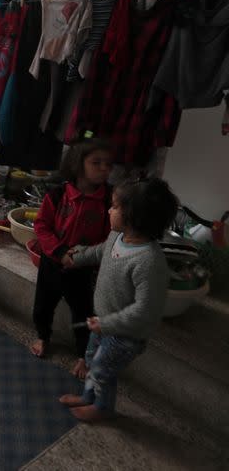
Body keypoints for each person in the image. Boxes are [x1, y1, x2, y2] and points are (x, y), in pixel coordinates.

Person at [59, 178, 178, 421]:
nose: (109, 210)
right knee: (93, 361)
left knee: (103, 370)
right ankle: (88, 397)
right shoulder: (116, 237)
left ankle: (101, 409)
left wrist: (108, 324)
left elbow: (145, 310)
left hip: (125, 334)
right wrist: (77, 257)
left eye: (114, 207)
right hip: (104, 322)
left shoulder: (148, 261)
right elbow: (98, 251)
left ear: (134, 216)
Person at [31, 138, 114, 379]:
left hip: (82, 268)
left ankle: (82, 355)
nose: (104, 169)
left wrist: (85, 258)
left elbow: (110, 237)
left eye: (108, 164)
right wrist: (58, 252)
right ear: (78, 164)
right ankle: (42, 335)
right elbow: (42, 225)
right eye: (96, 162)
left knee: (83, 313)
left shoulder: (109, 202)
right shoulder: (57, 195)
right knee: (43, 305)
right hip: (52, 263)